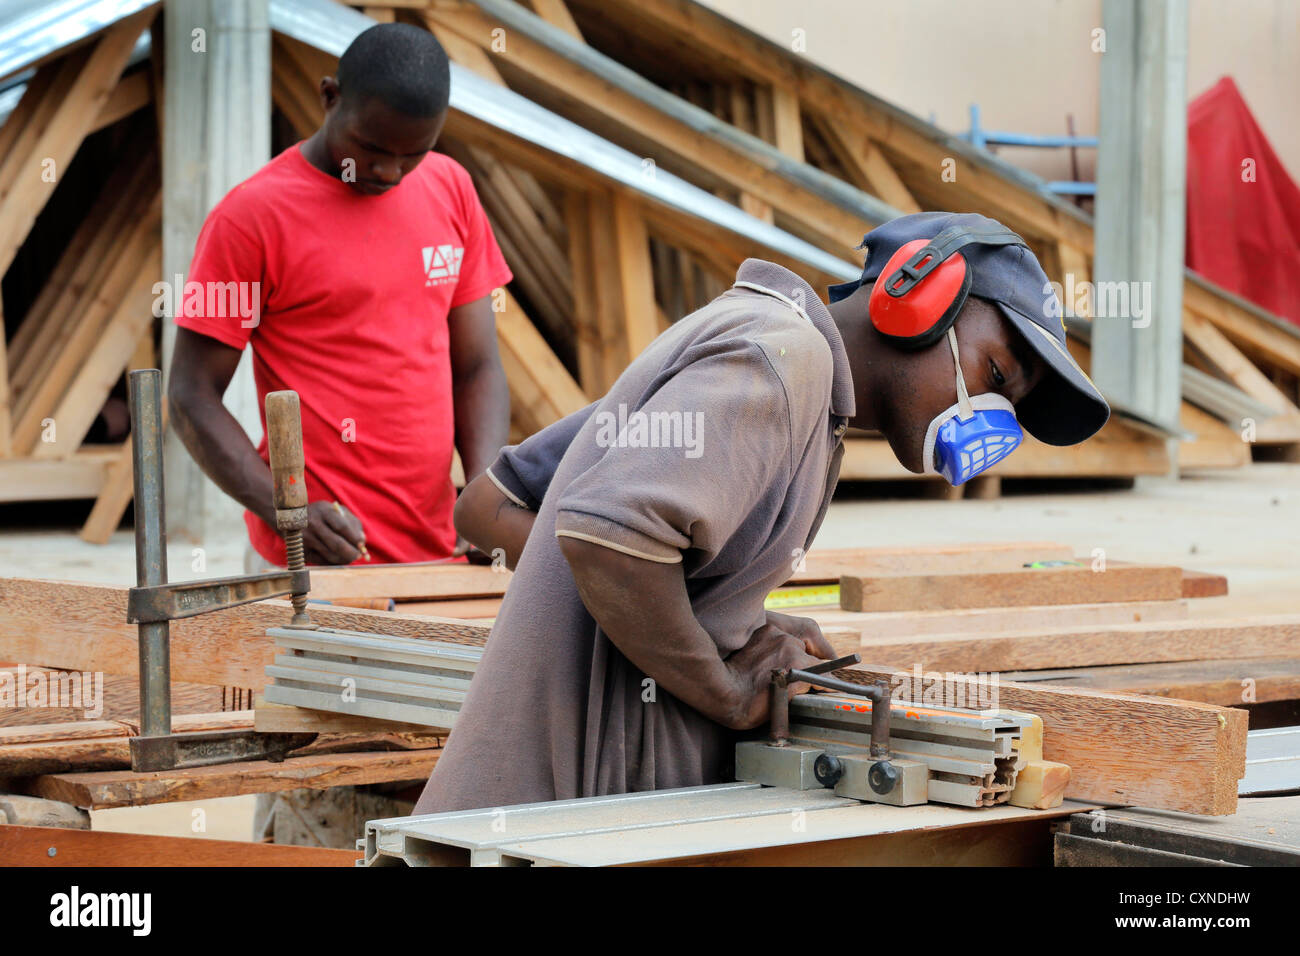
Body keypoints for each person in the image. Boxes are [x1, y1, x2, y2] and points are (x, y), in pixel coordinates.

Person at [415, 211, 1110, 814]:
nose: (981, 415)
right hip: (538, 831)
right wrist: (720, 687)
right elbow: (609, 540)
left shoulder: (782, 367)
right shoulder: (782, 361)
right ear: (917, 289)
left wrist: (721, 616)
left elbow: (499, 504)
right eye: (994, 378)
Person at [168, 23, 511, 567]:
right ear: (330, 96)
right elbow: (190, 397)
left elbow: (478, 367)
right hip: (309, 563)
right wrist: (287, 509)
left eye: (413, 154)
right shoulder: (251, 218)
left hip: (436, 559)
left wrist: (484, 499)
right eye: (371, 148)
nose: (389, 172)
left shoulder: (451, 189)